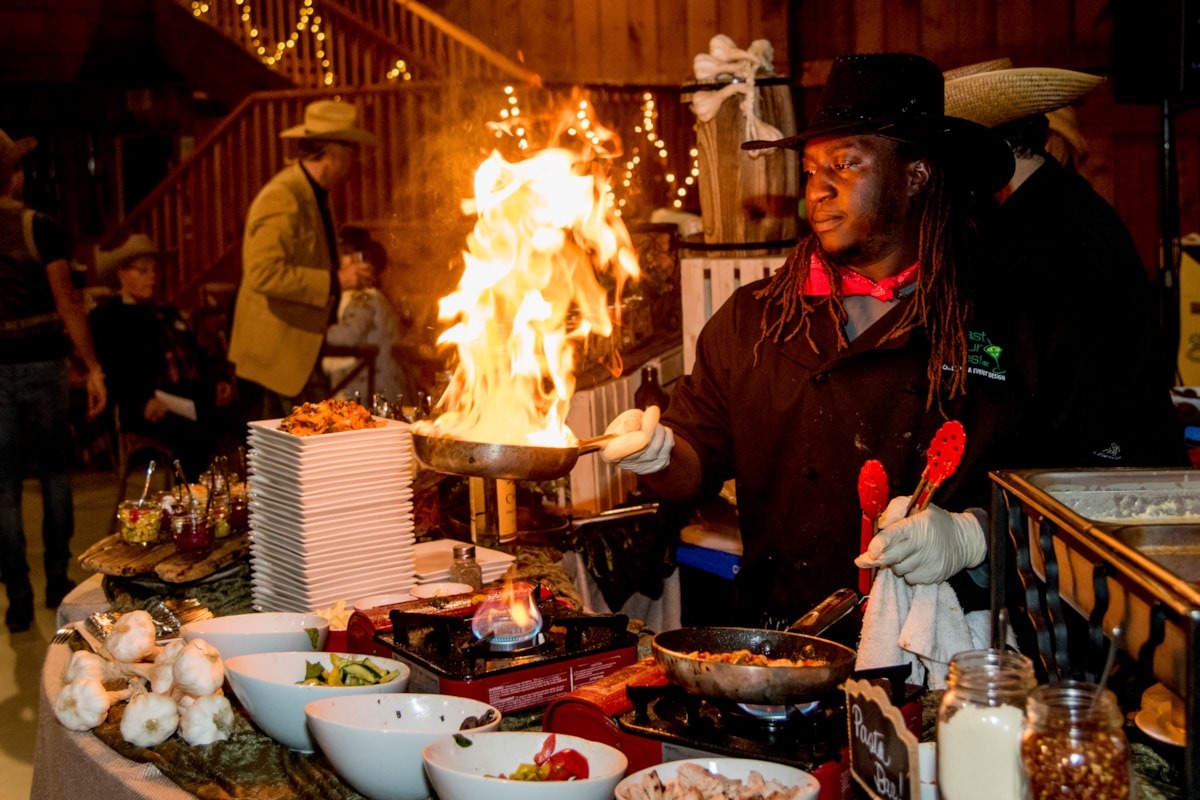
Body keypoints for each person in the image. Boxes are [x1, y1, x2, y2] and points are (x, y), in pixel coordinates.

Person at [943, 60, 1186, 465]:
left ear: (988, 152)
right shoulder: (1056, 210)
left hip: (1101, 487)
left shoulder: (1051, 237)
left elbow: (1067, 398)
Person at [0, 128, 106, 631]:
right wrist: (93, 365)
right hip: (43, 364)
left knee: (2, 486)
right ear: (14, 175)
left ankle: (16, 594)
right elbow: (68, 302)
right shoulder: (40, 227)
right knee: (53, 472)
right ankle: (57, 580)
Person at [227, 100, 377, 427]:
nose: (355, 161)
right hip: (275, 361)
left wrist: (338, 267)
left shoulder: (311, 193)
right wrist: (337, 280)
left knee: (306, 450)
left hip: (291, 353)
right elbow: (263, 274)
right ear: (333, 152)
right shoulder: (283, 196)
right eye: (351, 150)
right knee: (292, 454)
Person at [89, 233, 238, 477]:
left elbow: (197, 354)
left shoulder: (166, 312)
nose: (152, 277)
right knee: (193, 438)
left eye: (155, 270)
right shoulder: (110, 317)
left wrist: (219, 380)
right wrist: (140, 402)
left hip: (187, 396)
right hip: (144, 404)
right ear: (122, 274)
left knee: (242, 420)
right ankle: (189, 503)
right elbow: (113, 369)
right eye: (143, 271)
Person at [321, 226, 413, 405]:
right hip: (367, 388)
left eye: (345, 253)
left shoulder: (365, 298)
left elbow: (346, 336)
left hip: (374, 394)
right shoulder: (364, 296)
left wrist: (310, 335)